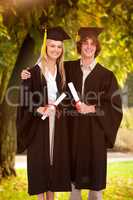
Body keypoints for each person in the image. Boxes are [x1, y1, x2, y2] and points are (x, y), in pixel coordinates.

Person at [20, 27, 123, 200]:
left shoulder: (107, 75)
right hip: (72, 136)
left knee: (95, 190)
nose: (89, 47)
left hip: (94, 137)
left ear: (97, 48)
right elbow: (46, 69)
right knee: (74, 188)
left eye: (92, 44)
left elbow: (115, 106)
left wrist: (89, 108)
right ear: (79, 46)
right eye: (85, 43)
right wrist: (26, 73)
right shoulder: (67, 69)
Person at [16, 26, 72, 200]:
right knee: (40, 165)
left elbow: (66, 98)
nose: (55, 49)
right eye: (52, 45)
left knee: (53, 164)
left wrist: (58, 108)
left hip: (57, 125)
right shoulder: (32, 72)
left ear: (62, 50)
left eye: (59, 46)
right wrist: (37, 108)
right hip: (39, 125)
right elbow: (24, 99)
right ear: (45, 47)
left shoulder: (63, 72)